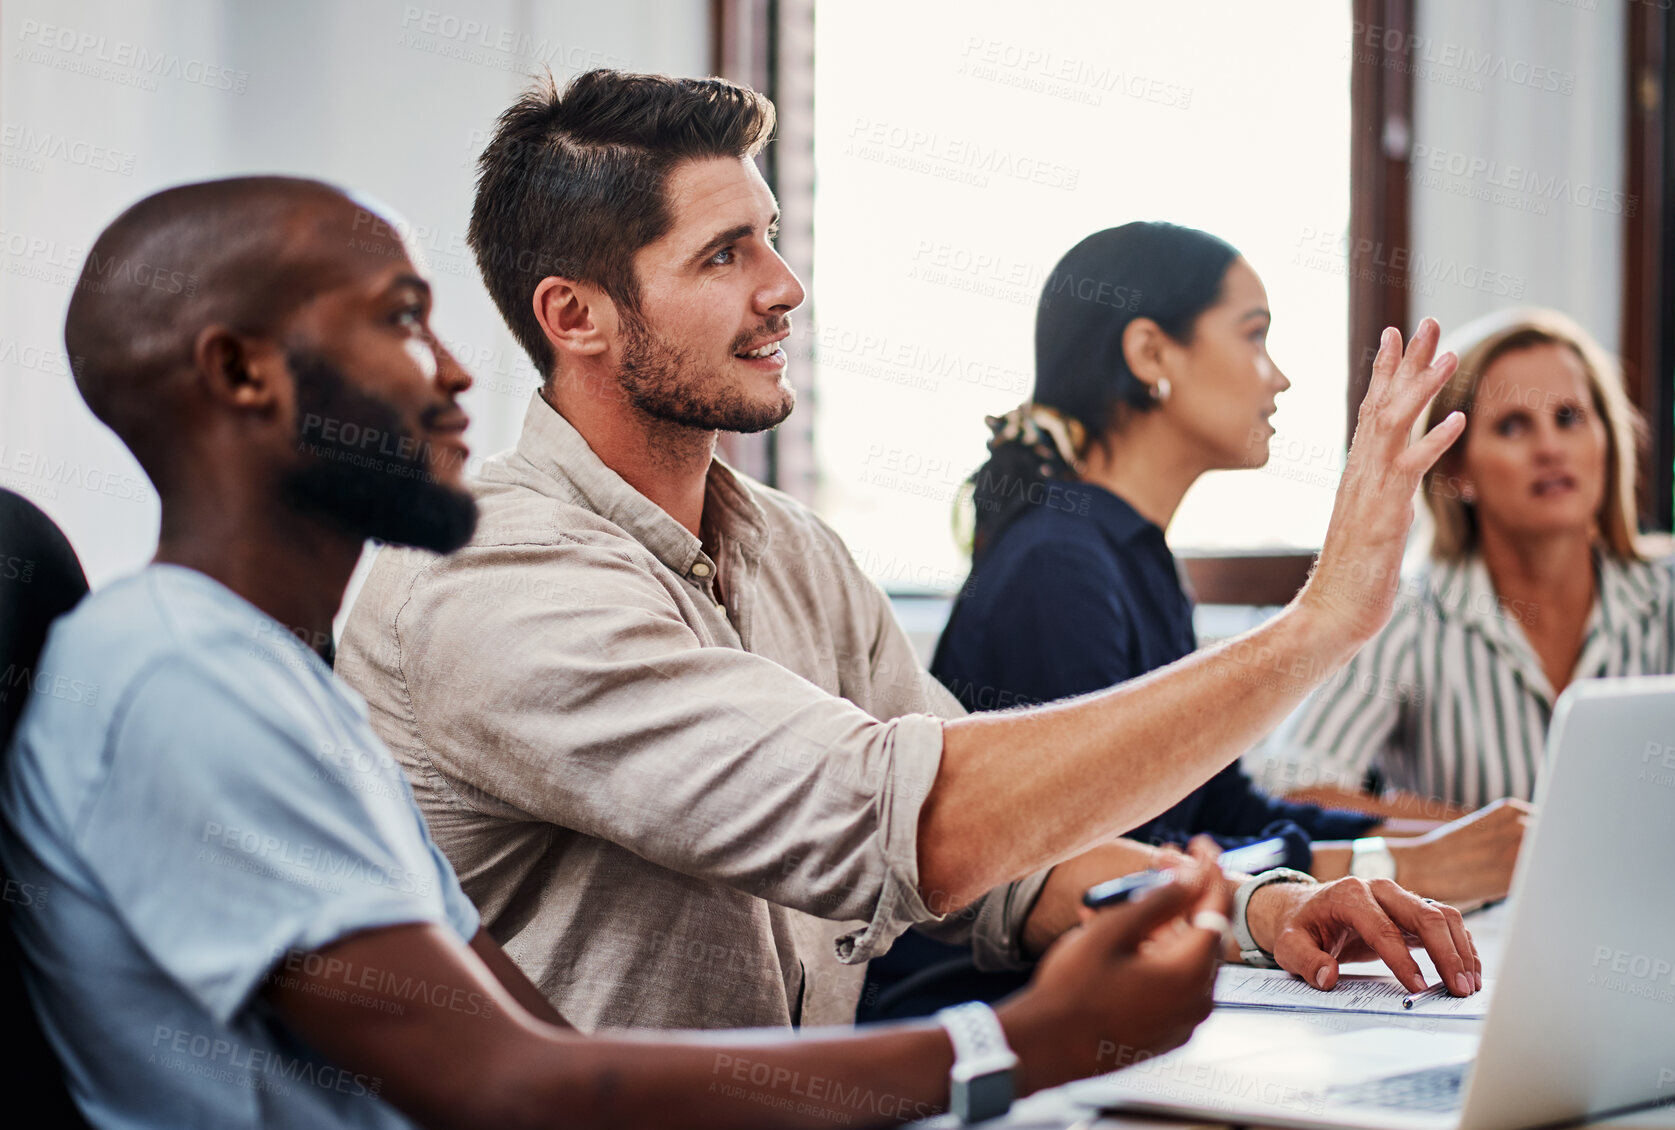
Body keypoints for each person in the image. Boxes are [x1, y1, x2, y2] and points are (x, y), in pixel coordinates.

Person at [0, 175, 1246, 1130]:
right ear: (239, 372)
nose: (449, 373)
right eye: (399, 320)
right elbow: (517, 1098)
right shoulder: (176, 679)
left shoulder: (275, 683)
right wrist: (1020, 1045)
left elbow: (545, 1056)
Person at [337, 69, 1483, 1038]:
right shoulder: (483, 575)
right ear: (575, 316)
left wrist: (1261, 911)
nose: (785, 288)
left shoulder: (792, 552)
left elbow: (1004, 871)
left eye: (773, 240)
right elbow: (917, 830)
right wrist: (1316, 623)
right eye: (724, 254)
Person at [930, 223, 1526, 903]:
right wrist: (1395, 867)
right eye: (1253, 335)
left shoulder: (1134, 559)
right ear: (1150, 352)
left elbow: (1217, 811)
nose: (1278, 375)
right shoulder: (1057, 564)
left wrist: (1426, 838)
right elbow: (1107, 867)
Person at [1256, 307, 1675, 813]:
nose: (1550, 447)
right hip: (1477, 899)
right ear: (1457, 469)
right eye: (1512, 427)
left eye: (1569, 417)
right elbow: (1293, 788)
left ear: (1605, 440)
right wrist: (1472, 838)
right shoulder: (1409, 615)